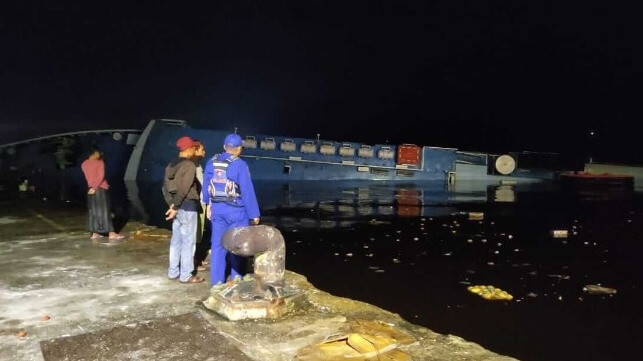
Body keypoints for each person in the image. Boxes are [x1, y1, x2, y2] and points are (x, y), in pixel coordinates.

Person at [202, 133, 260, 285]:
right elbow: (247, 191)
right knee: (237, 245)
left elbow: (206, 186)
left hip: (217, 209)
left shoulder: (211, 162)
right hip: (237, 211)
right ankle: (236, 279)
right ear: (239, 148)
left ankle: (216, 283)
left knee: (217, 245)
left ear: (224, 147)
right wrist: (254, 214)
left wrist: (208, 204)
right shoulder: (240, 165)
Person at [162, 136, 204, 283]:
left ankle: (173, 272)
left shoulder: (171, 164)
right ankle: (186, 275)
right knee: (188, 241)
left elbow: (164, 188)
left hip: (176, 205)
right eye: (194, 147)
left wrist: (172, 205)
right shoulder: (189, 165)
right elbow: (185, 188)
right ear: (189, 149)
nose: (195, 149)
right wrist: (177, 206)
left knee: (176, 240)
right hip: (187, 206)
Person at [80, 149, 123, 240]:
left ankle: (95, 233)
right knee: (104, 210)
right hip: (100, 188)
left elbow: (88, 177)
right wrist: (95, 187)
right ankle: (111, 233)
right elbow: (101, 176)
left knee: (93, 211)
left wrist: (92, 188)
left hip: (90, 189)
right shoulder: (99, 162)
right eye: (98, 153)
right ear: (93, 153)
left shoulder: (84, 163)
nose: (99, 154)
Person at [191, 141, 212, 274]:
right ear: (195, 150)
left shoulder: (197, 164)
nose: (204, 152)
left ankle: (198, 258)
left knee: (200, 232)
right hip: (197, 202)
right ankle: (194, 263)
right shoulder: (191, 165)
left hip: (201, 201)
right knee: (195, 233)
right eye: (202, 150)